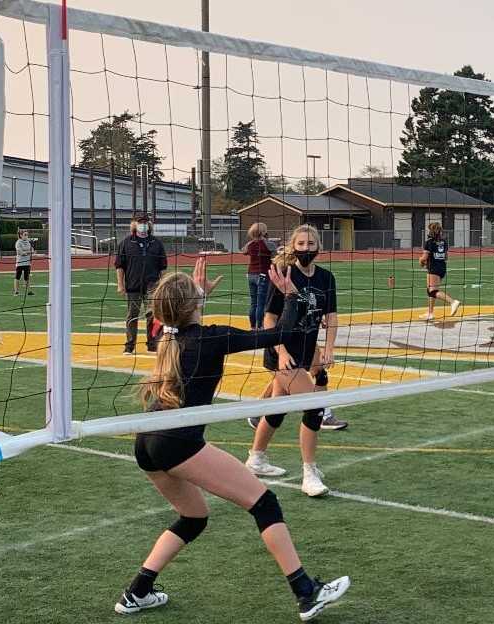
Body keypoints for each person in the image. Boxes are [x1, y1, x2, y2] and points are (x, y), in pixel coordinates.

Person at [115, 258, 349, 621]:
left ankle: (137, 592)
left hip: (147, 440)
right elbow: (279, 335)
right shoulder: (211, 337)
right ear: (191, 304)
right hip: (178, 442)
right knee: (264, 503)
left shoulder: (166, 334)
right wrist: (290, 296)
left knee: (193, 517)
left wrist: (193, 297)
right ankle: (306, 592)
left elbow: (178, 318)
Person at [245, 225, 337, 497]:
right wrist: (282, 352)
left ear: (318, 246)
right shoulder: (285, 276)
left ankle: (256, 458)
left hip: (307, 348)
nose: (306, 248)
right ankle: (309, 472)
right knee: (313, 406)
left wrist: (328, 348)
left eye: (311, 243)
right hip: (282, 352)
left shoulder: (326, 278)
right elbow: (269, 319)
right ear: (292, 246)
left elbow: (331, 316)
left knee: (277, 407)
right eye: (301, 243)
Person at [115, 215, 167, 354]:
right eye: (140, 222)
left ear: (149, 225)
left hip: (152, 285)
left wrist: (163, 285)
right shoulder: (126, 243)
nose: (143, 225)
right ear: (134, 224)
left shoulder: (156, 243)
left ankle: (152, 344)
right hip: (133, 285)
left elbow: (163, 267)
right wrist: (120, 284)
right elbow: (119, 266)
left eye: (145, 222)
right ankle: (129, 345)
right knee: (132, 315)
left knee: (153, 315)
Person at [418, 222, 460, 321]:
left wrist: (420, 261)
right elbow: (446, 257)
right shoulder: (444, 242)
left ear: (431, 231)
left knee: (432, 291)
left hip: (433, 268)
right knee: (430, 290)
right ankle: (430, 312)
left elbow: (424, 258)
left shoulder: (429, 242)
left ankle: (452, 302)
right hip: (442, 267)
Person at [243, 222, 273, 329]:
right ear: (264, 232)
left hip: (251, 274)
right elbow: (276, 254)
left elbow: (244, 251)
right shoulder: (268, 244)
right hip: (263, 274)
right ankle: (260, 326)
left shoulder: (249, 244)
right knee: (262, 303)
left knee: (253, 303)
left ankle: (252, 326)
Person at [13, 229, 34, 296]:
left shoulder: (28, 242)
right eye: (25, 235)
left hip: (27, 263)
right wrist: (28, 252)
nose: (26, 236)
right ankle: (16, 291)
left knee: (27, 277)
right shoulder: (18, 242)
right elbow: (21, 253)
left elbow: (32, 250)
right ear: (21, 235)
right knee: (17, 277)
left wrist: (28, 252)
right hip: (20, 263)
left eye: (27, 235)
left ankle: (28, 291)